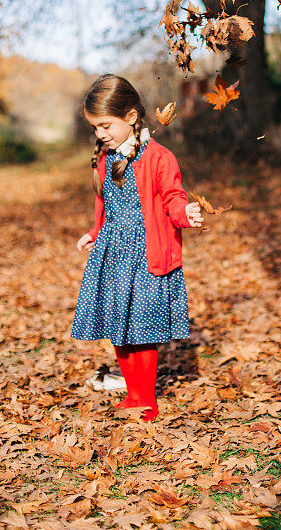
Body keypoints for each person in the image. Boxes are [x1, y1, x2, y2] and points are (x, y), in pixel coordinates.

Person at [71, 74, 203, 421]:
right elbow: (107, 208)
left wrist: (185, 214)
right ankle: (132, 394)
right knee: (119, 330)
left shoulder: (159, 158)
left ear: (130, 116)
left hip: (147, 254)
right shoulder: (104, 158)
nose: (100, 134)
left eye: (105, 125)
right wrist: (94, 233)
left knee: (142, 332)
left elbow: (173, 198)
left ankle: (148, 400)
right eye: (95, 127)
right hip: (112, 255)